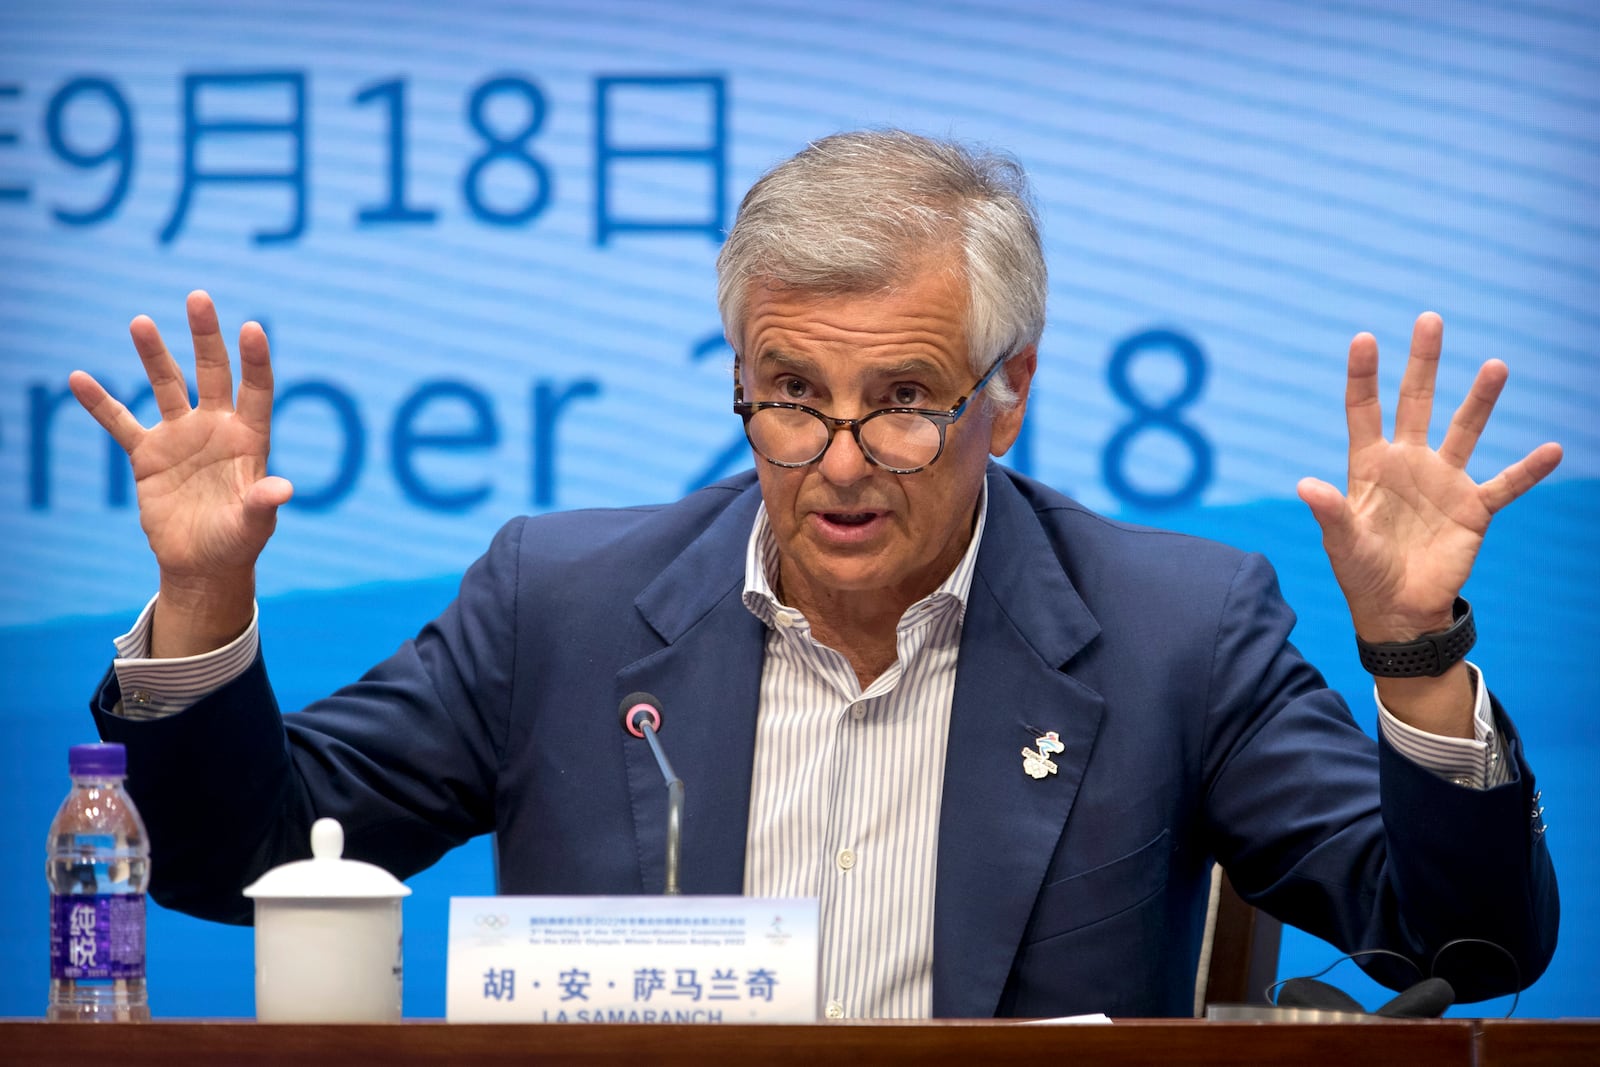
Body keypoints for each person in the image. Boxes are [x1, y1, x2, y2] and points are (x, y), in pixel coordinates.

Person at [73, 131, 1560, 1019]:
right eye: (789, 392)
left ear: (1008, 391)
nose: (841, 460)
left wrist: (1417, 647)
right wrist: (204, 602)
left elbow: (1460, 945)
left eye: (904, 398)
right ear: (738, 372)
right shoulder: (562, 606)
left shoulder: (1177, 629)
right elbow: (232, 857)